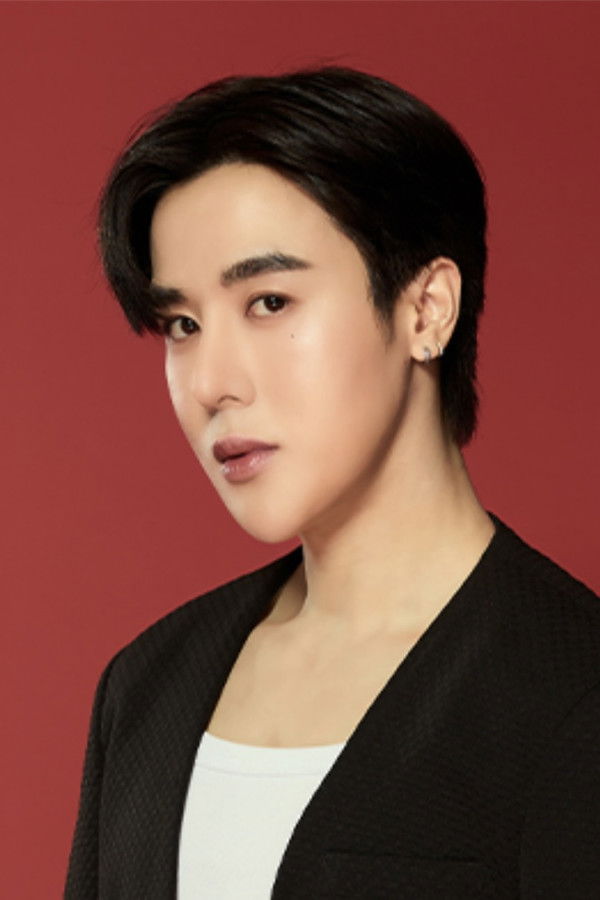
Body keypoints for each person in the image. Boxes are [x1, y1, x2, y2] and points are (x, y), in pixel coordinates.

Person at [65, 67, 599, 899]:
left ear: (426, 310)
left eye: (270, 303)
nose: (212, 382)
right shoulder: (148, 686)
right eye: (183, 324)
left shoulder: (570, 693)